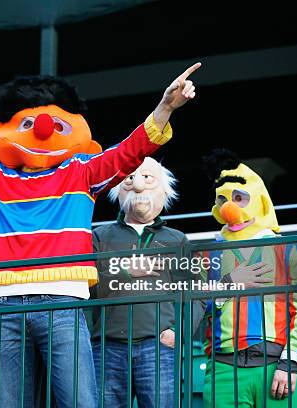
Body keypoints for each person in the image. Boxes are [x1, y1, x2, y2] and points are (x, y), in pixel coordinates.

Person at [0, 49, 200, 407]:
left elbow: (130, 151)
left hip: (62, 303)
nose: (43, 130)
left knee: (79, 402)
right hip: (4, 306)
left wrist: (166, 108)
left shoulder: (81, 172)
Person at [199, 149, 297, 407]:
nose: (230, 208)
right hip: (224, 368)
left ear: (258, 200)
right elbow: (196, 306)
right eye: (224, 199)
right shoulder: (208, 254)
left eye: (239, 198)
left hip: (277, 368)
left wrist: (290, 362)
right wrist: (229, 284)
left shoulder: (287, 249)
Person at [91, 157, 203, 407]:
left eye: (146, 178)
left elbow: (196, 293)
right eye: (130, 178)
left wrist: (180, 332)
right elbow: (88, 284)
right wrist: (127, 272)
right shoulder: (99, 236)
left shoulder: (177, 240)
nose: (138, 185)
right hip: (106, 347)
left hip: (158, 347)